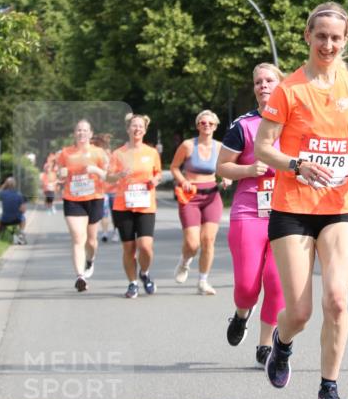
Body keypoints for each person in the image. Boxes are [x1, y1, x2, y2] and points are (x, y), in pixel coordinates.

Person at [254, 2, 348, 399]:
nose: (328, 44)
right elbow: (263, 147)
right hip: (292, 208)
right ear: (308, 37)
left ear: (345, 40)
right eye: (321, 36)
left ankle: (328, 389)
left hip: (338, 206)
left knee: (337, 300)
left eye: (336, 37)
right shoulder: (288, 89)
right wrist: (296, 164)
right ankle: (282, 343)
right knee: (300, 311)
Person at [217, 63, 286, 367]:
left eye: (269, 80)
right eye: (258, 82)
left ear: (281, 84)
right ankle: (242, 313)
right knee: (247, 286)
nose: (263, 85)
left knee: (277, 281)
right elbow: (222, 167)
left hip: (287, 212)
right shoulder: (243, 125)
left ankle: (265, 345)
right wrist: (248, 169)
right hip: (249, 211)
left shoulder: (295, 123)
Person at [170, 109, 229, 296]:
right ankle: (185, 262)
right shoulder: (188, 145)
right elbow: (174, 167)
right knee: (193, 243)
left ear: (216, 126)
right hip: (190, 196)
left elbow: (227, 168)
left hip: (212, 195)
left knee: (208, 240)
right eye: (203, 123)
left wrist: (227, 178)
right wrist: (183, 180)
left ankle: (203, 281)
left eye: (211, 123)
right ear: (197, 126)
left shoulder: (220, 147)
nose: (207, 126)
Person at [107, 113, 162, 299]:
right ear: (128, 129)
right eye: (134, 126)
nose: (137, 129)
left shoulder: (151, 152)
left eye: (140, 126)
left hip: (146, 205)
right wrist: (120, 174)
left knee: (145, 247)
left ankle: (144, 273)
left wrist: (155, 180)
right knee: (129, 248)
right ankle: (132, 283)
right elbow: (109, 177)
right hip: (123, 205)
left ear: (145, 130)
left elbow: (158, 174)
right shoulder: (118, 153)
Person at [55, 120, 108, 292]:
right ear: (74, 133)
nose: (81, 133)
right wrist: (60, 174)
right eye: (78, 130)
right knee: (78, 238)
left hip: (94, 198)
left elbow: (108, 176)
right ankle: (80, 277)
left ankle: (90, 260)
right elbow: (60, 174)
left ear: (91, 134)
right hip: (73, 199)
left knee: (91, 242)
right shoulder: (65, 153)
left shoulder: (99, 153)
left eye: (85, 130)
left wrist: (95, 170)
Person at [0, 177, 27, 243]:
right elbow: (23, 210)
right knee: (23, 218)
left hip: (5, 220)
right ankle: (21, 232)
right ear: (15, 185)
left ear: (6, 184)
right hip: (17, 219)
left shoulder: (3, 194)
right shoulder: (19, 195)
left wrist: (5, 184)